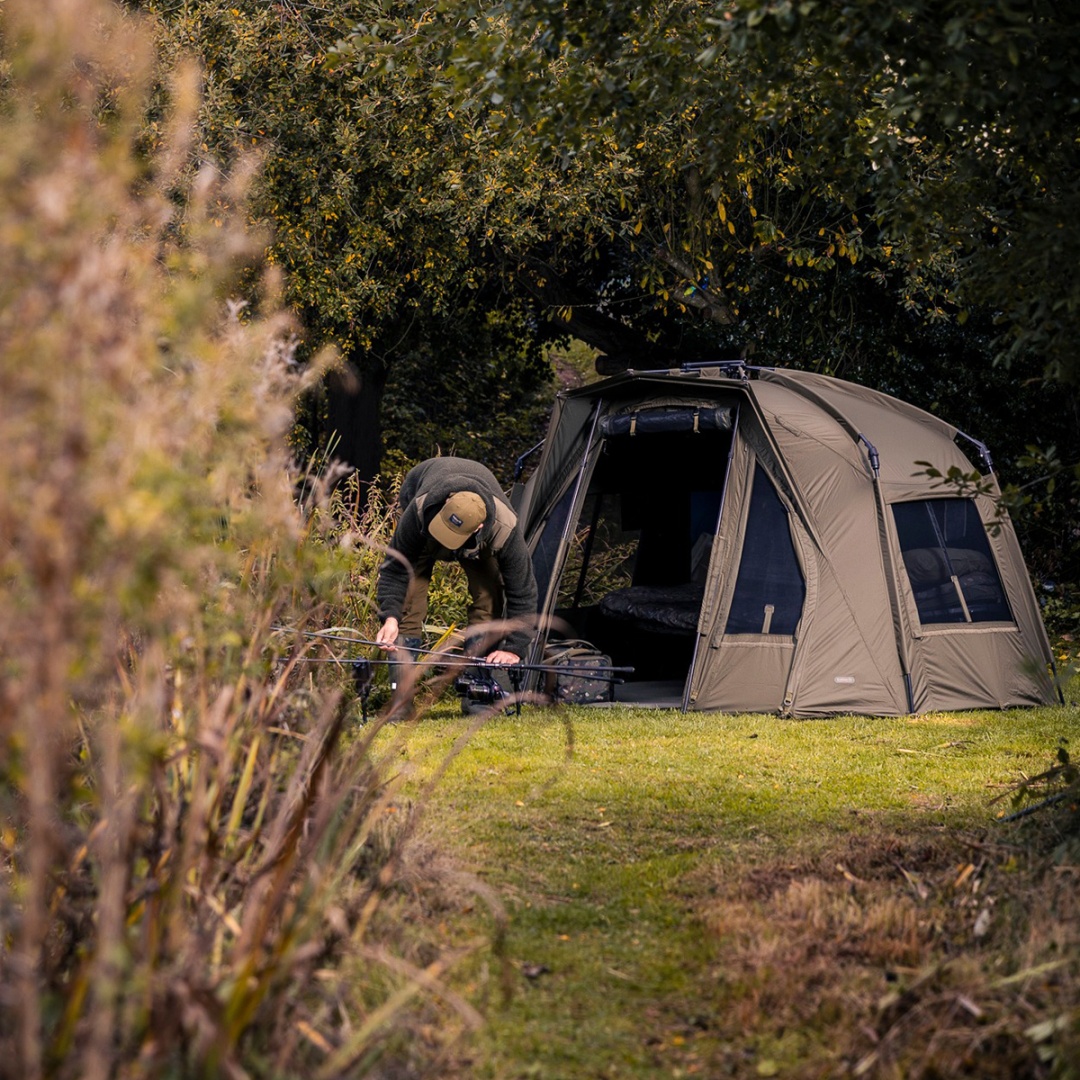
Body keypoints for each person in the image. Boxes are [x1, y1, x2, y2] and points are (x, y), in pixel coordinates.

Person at [374, 457, 538, 676]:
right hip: (425, 528)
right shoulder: (420, 510)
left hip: (478, 544)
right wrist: (390, 618)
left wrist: (515, 649)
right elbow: (395, 570)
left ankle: (476, 682)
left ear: (479, 528)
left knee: (489, 598)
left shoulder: (505, 529)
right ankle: (401, 691)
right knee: (409, 599)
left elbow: (523, 592)